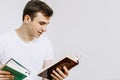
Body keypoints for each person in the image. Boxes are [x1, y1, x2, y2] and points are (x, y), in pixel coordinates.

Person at [0, 0, 69, 80]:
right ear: (27, 19)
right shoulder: (3, 41)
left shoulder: (46, 44)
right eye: (41, 23)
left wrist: (56, 78)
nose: (45, 29)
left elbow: (46, 78)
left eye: (46, 24)